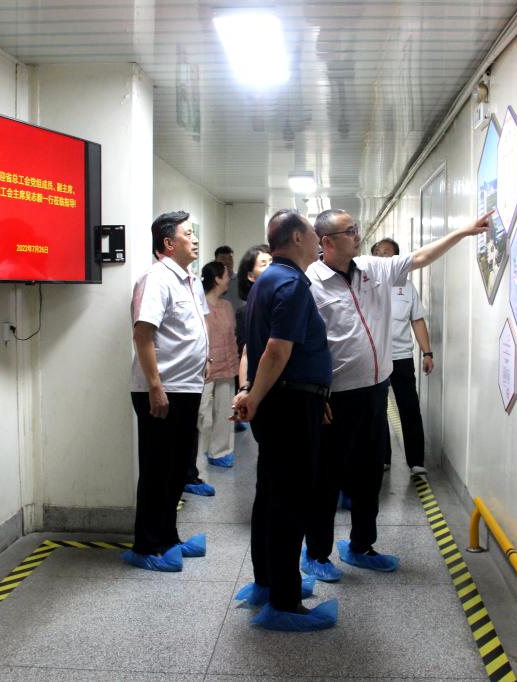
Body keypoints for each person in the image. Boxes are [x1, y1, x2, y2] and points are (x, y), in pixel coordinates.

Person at [301, 208, 492, 581]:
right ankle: (317, 553)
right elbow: (305, 343)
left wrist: (463, 231)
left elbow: (420, 257)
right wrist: (315, 394)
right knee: (327, 479)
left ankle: (361, 546)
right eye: (349, 231)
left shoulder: (373, 268)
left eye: (356, 228)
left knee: (369, 475)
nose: (357, 235)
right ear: (327, 242)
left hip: (375, 391)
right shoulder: (311, 283)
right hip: (334, 398)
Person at [231, 210, 338, 632]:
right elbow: (276, 350)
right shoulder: (292, 284)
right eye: (313, 233)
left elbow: (267, 351)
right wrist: (254, 398)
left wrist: (309, 394)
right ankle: (285, 602)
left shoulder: (268, 280)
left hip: (288, 400)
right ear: (296, 238)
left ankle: (268, 581)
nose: (318, 240)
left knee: (271, 496)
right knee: (290, 503)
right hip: (288, 405)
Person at [124, 211, 210, 573]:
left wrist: (204, 359)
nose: (195, 239)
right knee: (158, 469)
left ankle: (168, 537)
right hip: (162, 390)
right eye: (188, 234)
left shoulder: (189, 279)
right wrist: (155, 387)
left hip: (186, 387)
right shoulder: (156, 279)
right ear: (168, 243)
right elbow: (143, 334)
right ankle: (146, 546)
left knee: (176, 471)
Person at [370, 237, 430, 478]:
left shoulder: (407, 287)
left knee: (409, 408)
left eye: (388, 253)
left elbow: (417, 320)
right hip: (374, 358)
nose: (383, 256)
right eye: (379, 252)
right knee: (377, 410)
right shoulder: (365, 284)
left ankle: (416, 461)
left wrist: (427, 352)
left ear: (397, 259)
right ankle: (382, 457)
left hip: (401, 356)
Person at [198, 261, 239, 468]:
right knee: (200, 412)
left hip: (227, 365)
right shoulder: (200, 305)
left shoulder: (227, 306)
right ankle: (192, 456)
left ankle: (220, 451)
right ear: (216, 279)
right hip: (204, 368)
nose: (228, 279)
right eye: (225, 275)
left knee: (225, 412)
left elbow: (232, 336)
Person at [232, 244, 272, 433]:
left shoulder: (288, 299)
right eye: (264, 264)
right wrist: (244, 389)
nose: (271, 267)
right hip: (261, 387)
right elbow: (246, 353)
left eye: (272, 261)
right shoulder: (246, 311)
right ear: (251, 276)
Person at [215, 245, 241, 310]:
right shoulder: (211, 281)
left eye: (230, 258)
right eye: (223, 259)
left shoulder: (241, 279)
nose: (227, 262)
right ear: (216, 261)